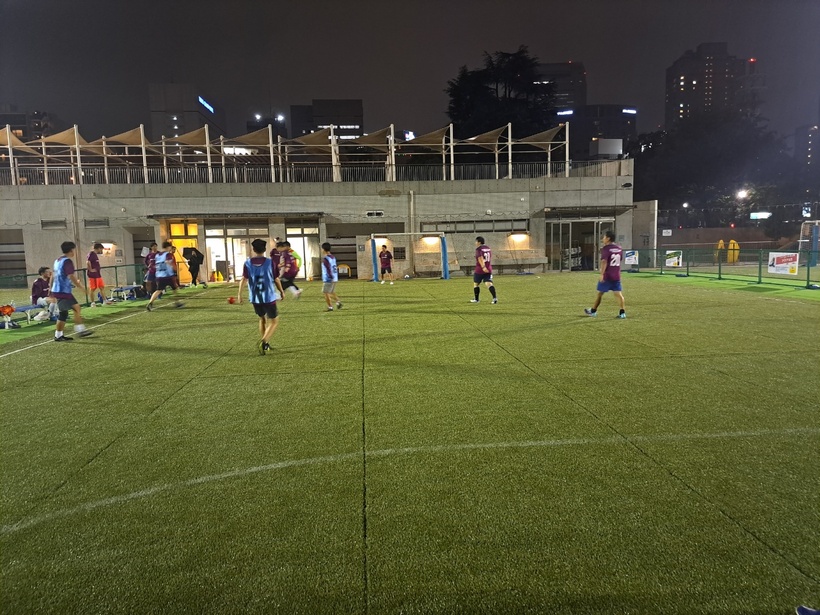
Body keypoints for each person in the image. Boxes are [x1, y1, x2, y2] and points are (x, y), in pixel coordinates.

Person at [237, 238, 284, 355]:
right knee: (274, 321)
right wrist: (281, 291)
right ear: (265, 249)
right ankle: (264, 341)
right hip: (268, 297)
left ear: (253, 249)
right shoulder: (270, 262)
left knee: (262, 319)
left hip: (255, 298)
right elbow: (276, 279)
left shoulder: (247, 263)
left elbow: (243, 279)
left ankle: (266, 344)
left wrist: (239, 295)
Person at [51, 241, 94, 341]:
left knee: (65, 313)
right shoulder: (67, 261)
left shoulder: (58, 260)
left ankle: (59, 335)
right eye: (74, 250)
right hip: (63, 290)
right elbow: (71, 276)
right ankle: (80, 330)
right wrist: (82, 288)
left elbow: (54, 275)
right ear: (71, 250)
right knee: (76, 308)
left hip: (58, 290)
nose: (74, 252)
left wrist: (50, 288)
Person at [585, 229, 626, 318]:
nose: (603, 239)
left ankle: (593, 311)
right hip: (616, 275)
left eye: (604, 237)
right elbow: (620, 259)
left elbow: (604, 261)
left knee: (600, 294)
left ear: (608, 238)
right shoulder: (619, 248)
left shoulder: (606, 249)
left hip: (607, 276)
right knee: (619, 294)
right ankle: (622, 313)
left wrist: (602, 274)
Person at [146, 242, 184, 311]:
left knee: (158, 290)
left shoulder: (157, 255)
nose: (170, 248)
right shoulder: (167, 254)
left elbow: (154, 264)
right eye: (170, 247)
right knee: (175, 289)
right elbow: (168, 262)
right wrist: (175, 269)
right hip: (168, 275)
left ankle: (150, 303)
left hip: (159, 275)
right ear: (168, 247)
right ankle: (177, 303)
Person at [470, 236, 497, 304]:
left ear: (479, 242)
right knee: (489, 283)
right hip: (489, 268)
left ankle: (476, 299)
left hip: (480, 269)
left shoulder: (478, 249)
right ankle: (494, 298)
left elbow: (480, 258)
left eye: (476, 242)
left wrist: (483, 267)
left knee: (476, 284)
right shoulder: (488, 248)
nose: (475, 243)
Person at [321, 242, 342, 311]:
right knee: (331, 292)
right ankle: (338, 302)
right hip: (335, 277)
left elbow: (328, 269)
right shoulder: (333, 257)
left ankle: (330, 307)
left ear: (324, 249)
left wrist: (330, 277)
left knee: (326, 293)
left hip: (329, 278)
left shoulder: (326, 259)